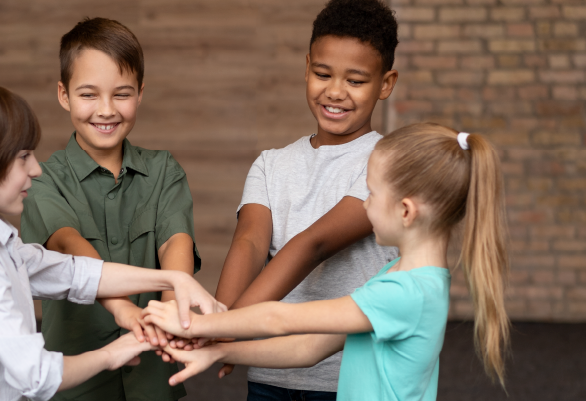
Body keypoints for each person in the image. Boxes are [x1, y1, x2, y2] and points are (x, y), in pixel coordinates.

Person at [0, 79, 224, 401]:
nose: (36, 169)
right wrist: (117, 351)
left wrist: (171, 279)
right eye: (23, 156)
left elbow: (72, 273)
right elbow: (38, 375)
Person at [145, 123, 511, 401]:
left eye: (371, 193)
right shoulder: (398, 276)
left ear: (405, 211)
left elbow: (280, 317)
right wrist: (222, 349)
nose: (364, 203)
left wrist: (196, 325)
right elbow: (309, 348)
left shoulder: (405, 293)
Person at [212, 0, 399, 398]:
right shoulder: (270, 164)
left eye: (356, 80)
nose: (335, 91)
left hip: (348, 379)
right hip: (271, 372)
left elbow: (313, 245)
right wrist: (220, 319)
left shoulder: (389, 163)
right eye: (322, 73)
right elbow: (248, 243)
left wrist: (226, 330)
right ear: (307, 68)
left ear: (386, 84)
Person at [20, 17, 204, 401]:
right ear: (63, 94)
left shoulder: (164, 170)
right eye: (89, 95)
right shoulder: (43, 179)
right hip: (77, 380)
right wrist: (122, 309)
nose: (106, 110)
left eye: (121, 94)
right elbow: (69, 247)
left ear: (140, 92)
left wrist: (173, 316)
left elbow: (176, 245)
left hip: (155, 377)